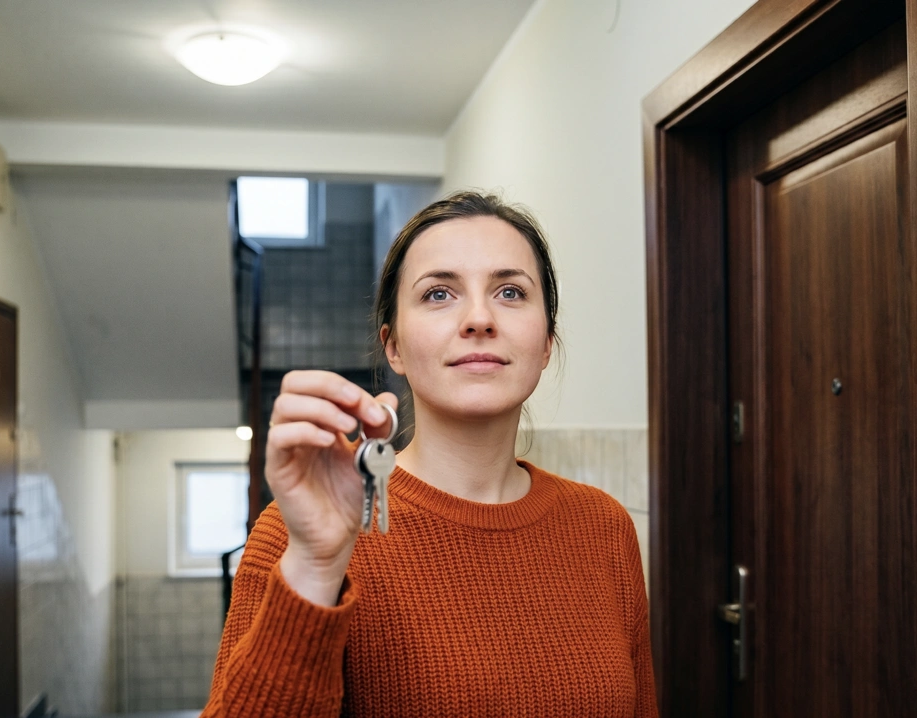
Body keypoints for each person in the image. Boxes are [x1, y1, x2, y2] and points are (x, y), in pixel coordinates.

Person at [202, 191, 658, 717]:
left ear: (547, 343)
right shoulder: (297, 534)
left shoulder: (605, 528)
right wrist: (315, 567)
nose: (479, 318)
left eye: (510, 292)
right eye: (439, 294)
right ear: (393, 346)